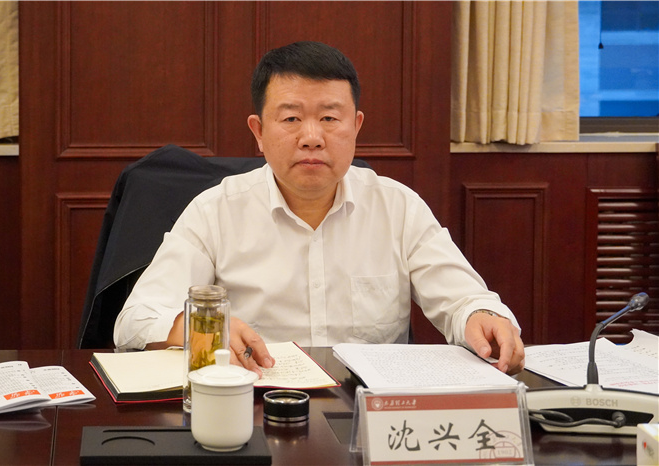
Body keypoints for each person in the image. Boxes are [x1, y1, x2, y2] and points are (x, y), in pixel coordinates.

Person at [113, 41, 525, 377]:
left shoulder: (398, 207)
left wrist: (483, 317)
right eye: (291, 119)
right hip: (253, 405)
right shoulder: (215, 211)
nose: (311, 137)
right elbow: (134, 321)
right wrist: (203, 328)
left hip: (368, 413)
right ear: (259, 132)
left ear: (356, 126)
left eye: (329, 118)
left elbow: (464, 300)